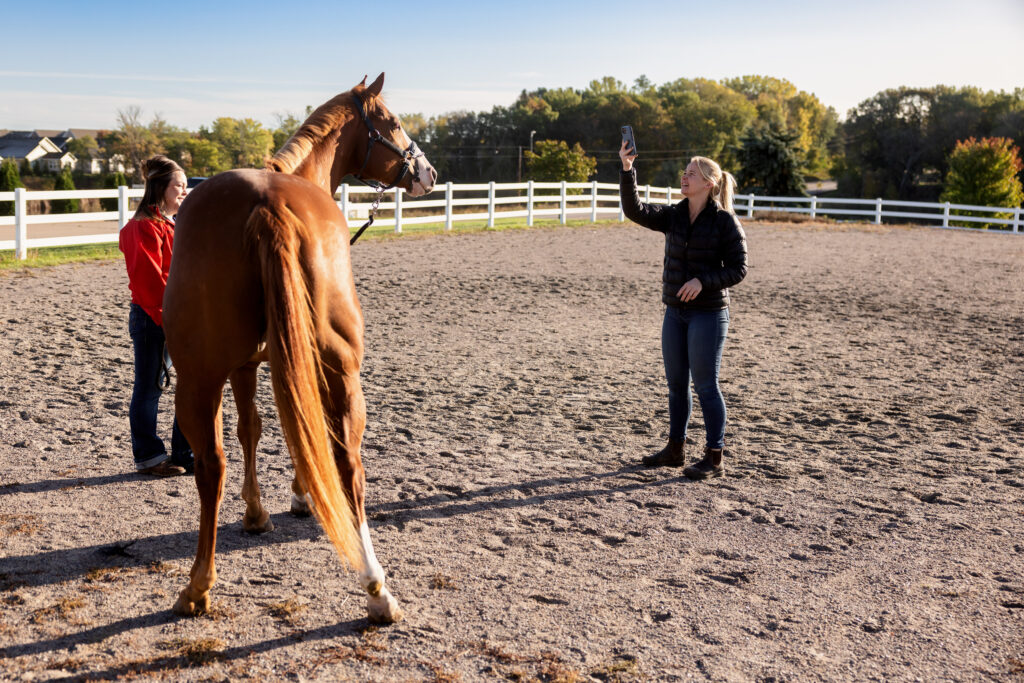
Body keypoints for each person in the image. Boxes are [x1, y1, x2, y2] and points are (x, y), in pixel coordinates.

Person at [619, 140, 747, 479]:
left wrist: (703, 281)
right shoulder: (675, 215)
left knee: (706, 385)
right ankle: (675, 449)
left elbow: (739, 268)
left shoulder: (724, 223)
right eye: (683, 173)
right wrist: (628, 168)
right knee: (676, 384)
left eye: (691, 174)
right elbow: (635, 210)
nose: (684, 178)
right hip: (675, 313)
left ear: (709, 183)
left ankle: (714, 457)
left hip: (708, 313)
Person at [118, 155, 194, 477]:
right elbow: (152, 283)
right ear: (161, 188)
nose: (185, 193)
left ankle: (184, 453)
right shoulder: (141, 227)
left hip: (177, 315)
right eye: (180, 186)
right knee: (149, 389)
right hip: (153, 317)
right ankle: (149, 457)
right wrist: (175, 320)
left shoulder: (169, 224)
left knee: (191, 384)